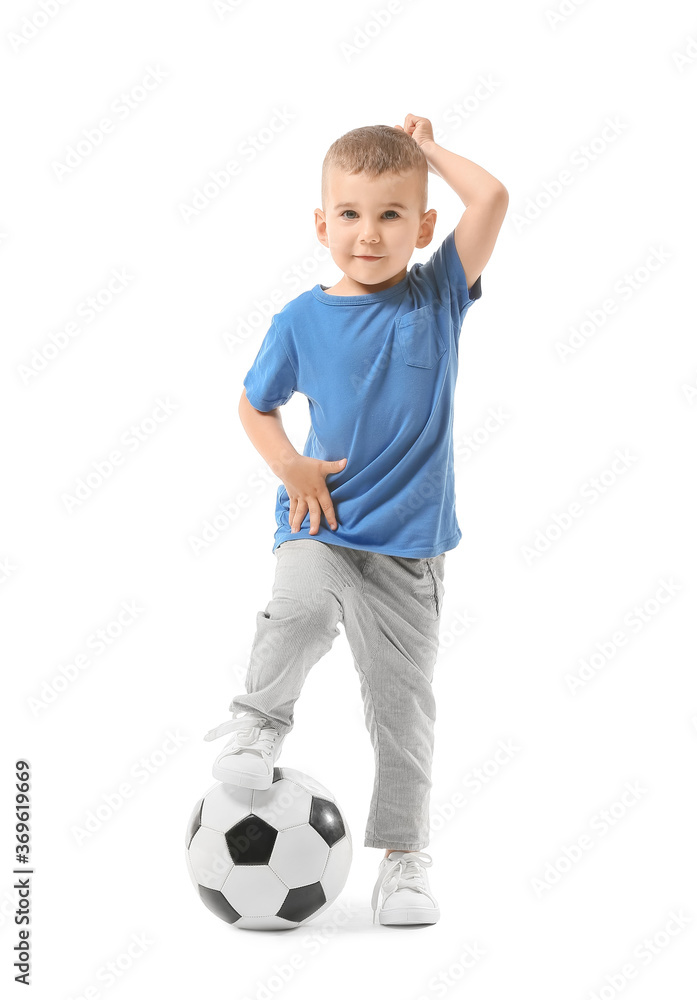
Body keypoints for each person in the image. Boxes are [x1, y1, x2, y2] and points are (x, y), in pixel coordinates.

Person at [203, 115, 508, 925]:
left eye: (389, 214)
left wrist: (427, 151)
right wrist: (289, 465)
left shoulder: (438, 293)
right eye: (349, 213)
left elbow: (495, 195)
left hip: (408, 553)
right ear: (320, 222)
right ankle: (259, 725)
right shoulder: (301, 319)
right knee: (296, 611)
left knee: (402, 708)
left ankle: (405, 862)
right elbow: (253, 404)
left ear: (423, 224)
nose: (367, 234)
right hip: (323, 523)